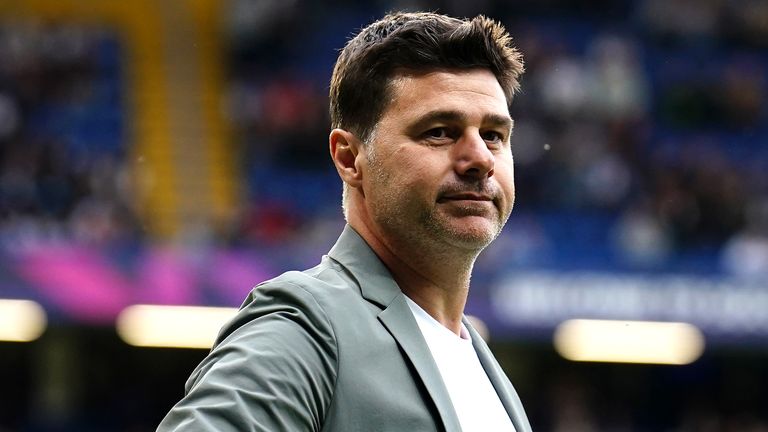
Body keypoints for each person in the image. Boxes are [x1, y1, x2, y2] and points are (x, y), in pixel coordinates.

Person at [158, 11, 531, 432]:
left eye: (494, 135)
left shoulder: (486, 370)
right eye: (440, 131)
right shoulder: (308, 325)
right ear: (349, 158)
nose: (481, 158)